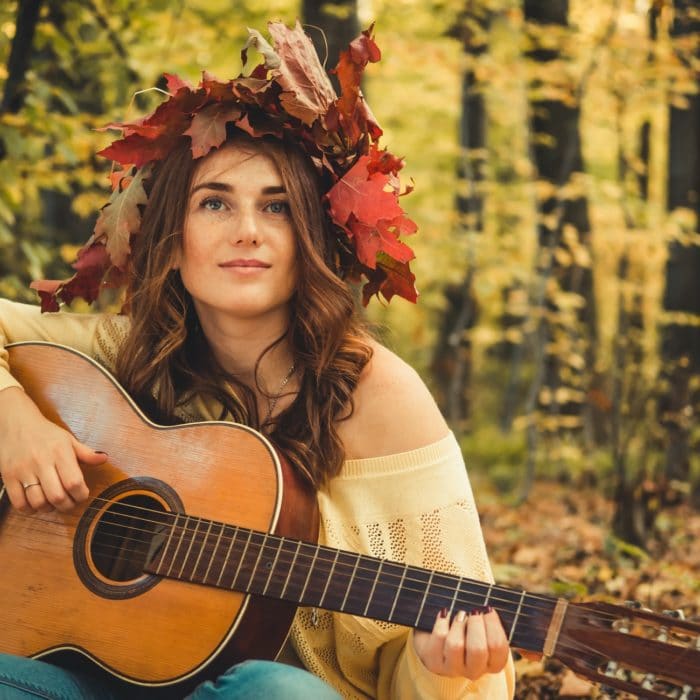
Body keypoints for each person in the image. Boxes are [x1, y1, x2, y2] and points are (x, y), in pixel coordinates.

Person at [0, 21, 515, 700]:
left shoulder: (380, 398)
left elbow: (466, 673)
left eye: (276, 208)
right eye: (215, 202)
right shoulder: (130, 351)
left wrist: (444, 670)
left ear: (310, 241)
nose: (247, 230)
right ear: (174, 242)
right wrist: (14, 418)